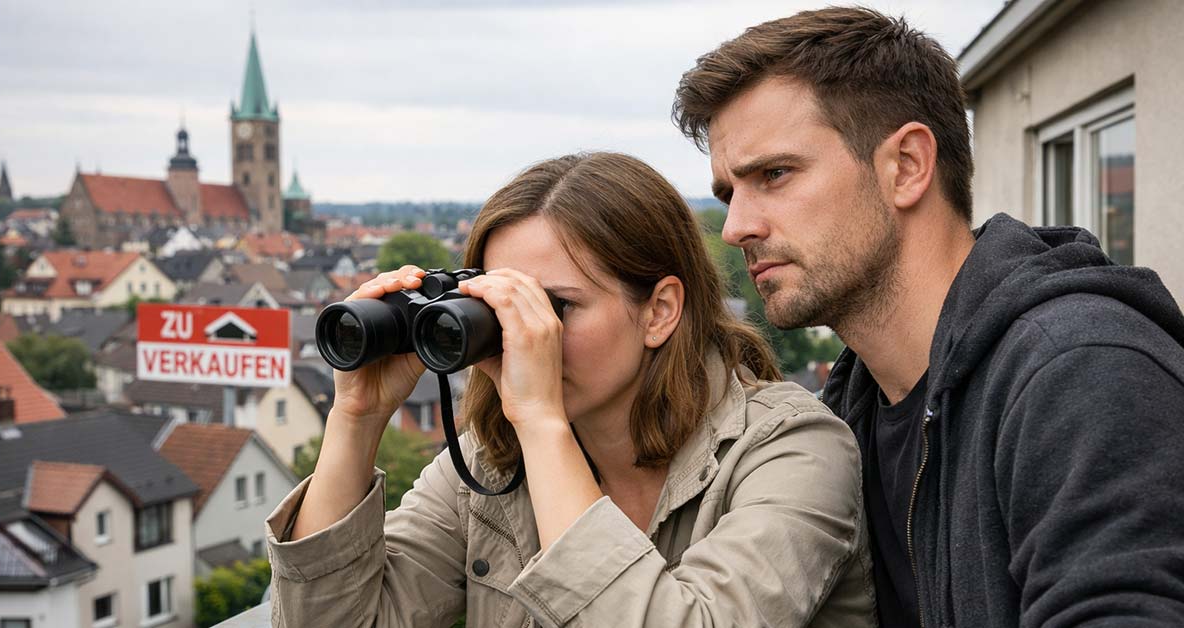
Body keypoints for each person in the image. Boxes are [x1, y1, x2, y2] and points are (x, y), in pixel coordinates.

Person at [672, 6, 1184, 627]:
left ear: (907, 166)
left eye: (774, 174)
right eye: (729, 193)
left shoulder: (1079, 371)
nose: (735, 228)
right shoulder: (845, 419)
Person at [264, 152, 876, 627]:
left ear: (660, 310)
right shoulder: (488, 466)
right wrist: (357, 415)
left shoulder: (794, 452)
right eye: (501, 307)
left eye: (554, 306)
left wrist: (540, 420)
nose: (526, 336)